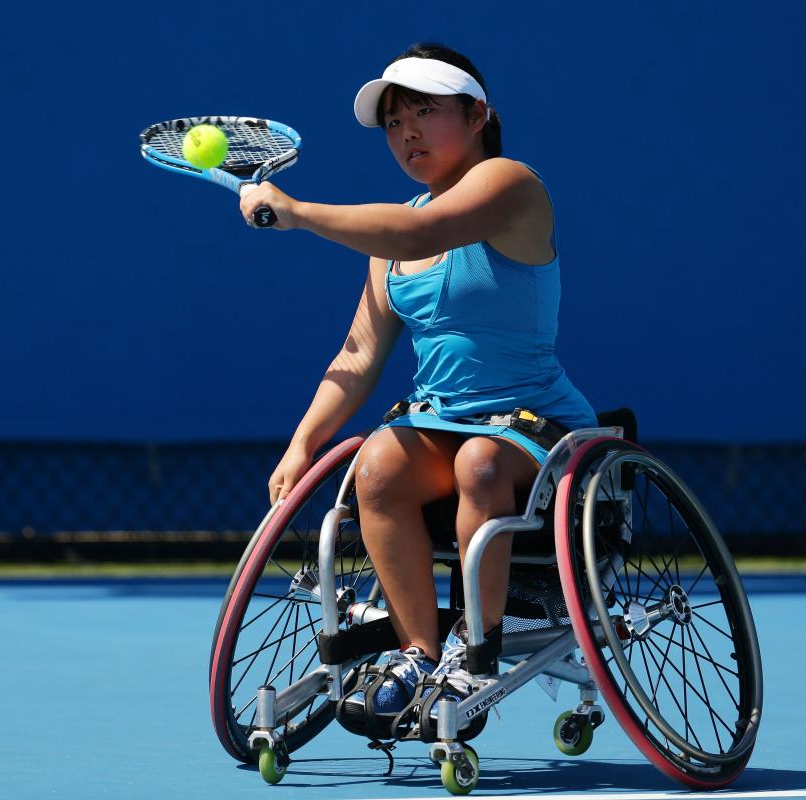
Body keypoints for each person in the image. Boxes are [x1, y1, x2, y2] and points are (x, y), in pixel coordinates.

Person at [238, 42, 597, 729]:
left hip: (536, 426)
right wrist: (302, 444)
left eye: (423, 113)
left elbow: (423, 228)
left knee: (481, 460)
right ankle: (417, 654)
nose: (405, 133)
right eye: (395, 121)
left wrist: (299, 212)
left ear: (478, 114)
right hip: (439, 420)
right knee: (374, 467)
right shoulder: (389, 247)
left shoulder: (511, 185)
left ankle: (476, 653)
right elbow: (360, 352)